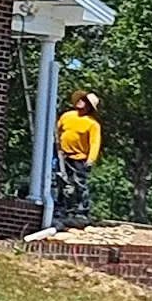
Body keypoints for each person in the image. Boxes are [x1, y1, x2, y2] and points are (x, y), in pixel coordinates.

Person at [52, 91, 102, 229]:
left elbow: (94, 143)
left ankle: (81, 211)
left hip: (79, 159)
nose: (80, 102)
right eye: (80, 100)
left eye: (84, 101)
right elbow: (56, 130)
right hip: (62, 156)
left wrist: (90, 160)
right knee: (60, 182)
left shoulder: (92, 124)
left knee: (79, 184)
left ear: (89, 106)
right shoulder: (67, 116)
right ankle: (61, 208)